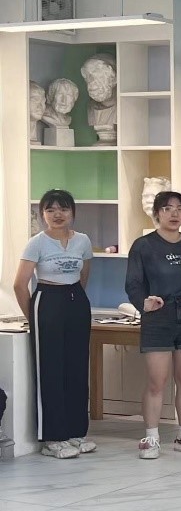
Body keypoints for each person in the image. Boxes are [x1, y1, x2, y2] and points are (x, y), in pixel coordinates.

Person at [126, 191, 181, 460]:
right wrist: (143, 303)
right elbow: (133, 283)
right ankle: (151, 437)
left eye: (180, 209)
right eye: (167, 208)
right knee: (157, 381)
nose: (174, 213)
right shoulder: (144, 246)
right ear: (157, 213)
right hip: (158, 314)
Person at [13, 189, 95, 459]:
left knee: (77, 368)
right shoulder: (36, 243)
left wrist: (74, 300)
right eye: (50, 210)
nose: (57, 214)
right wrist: (33, 317)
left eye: (63, 209)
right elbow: (19, 285)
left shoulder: (83, 241)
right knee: (50, 370)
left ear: (72, 212)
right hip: (47, 300)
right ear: (42, 214)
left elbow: (83, 276)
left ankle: (75, 432)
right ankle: (53, 438)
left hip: (76, 300)